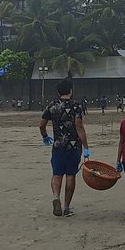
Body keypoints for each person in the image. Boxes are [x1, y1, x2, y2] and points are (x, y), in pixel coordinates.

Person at [38, 80, 90, 218]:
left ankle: (56, 197)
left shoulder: (52, 106)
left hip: (58, 146)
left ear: (58, 92)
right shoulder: (76, 106)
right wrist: (86, 147)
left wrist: (45, 136)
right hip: (73, 146)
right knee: (70, 175)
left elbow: (41, 125)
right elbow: (79, 127)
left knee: (57, 173)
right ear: (71, 91)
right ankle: (66, 207)